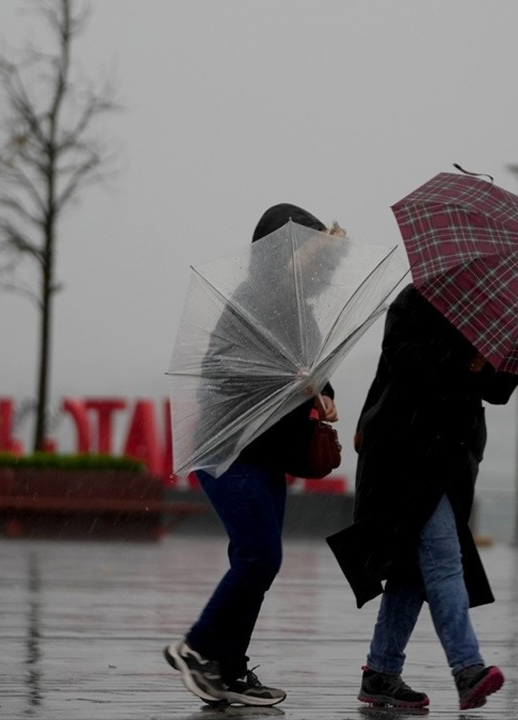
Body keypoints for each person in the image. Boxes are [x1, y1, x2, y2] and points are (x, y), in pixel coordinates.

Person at [164, 203, 339, 708]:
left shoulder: (301, 309)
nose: (314, 261)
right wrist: (293, 378)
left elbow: (313, 369)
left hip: (268, 451)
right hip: (230, 448)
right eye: (305, 248)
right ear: (280, 251)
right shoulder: (252, 299)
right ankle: (196, 649)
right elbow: (221, 367)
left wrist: (323, 391)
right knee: (261, 556)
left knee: (255, 559)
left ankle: (229, 670)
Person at [328, 283, 518, 711]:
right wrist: (467, 363)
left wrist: (493, 364)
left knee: (412, 571)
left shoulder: (493, 314)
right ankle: (467, 668)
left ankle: (381, 672)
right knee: (443, 558)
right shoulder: (415, 301)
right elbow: (405, 361)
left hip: (452, 460)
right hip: (405, 453)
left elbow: (501, 389)